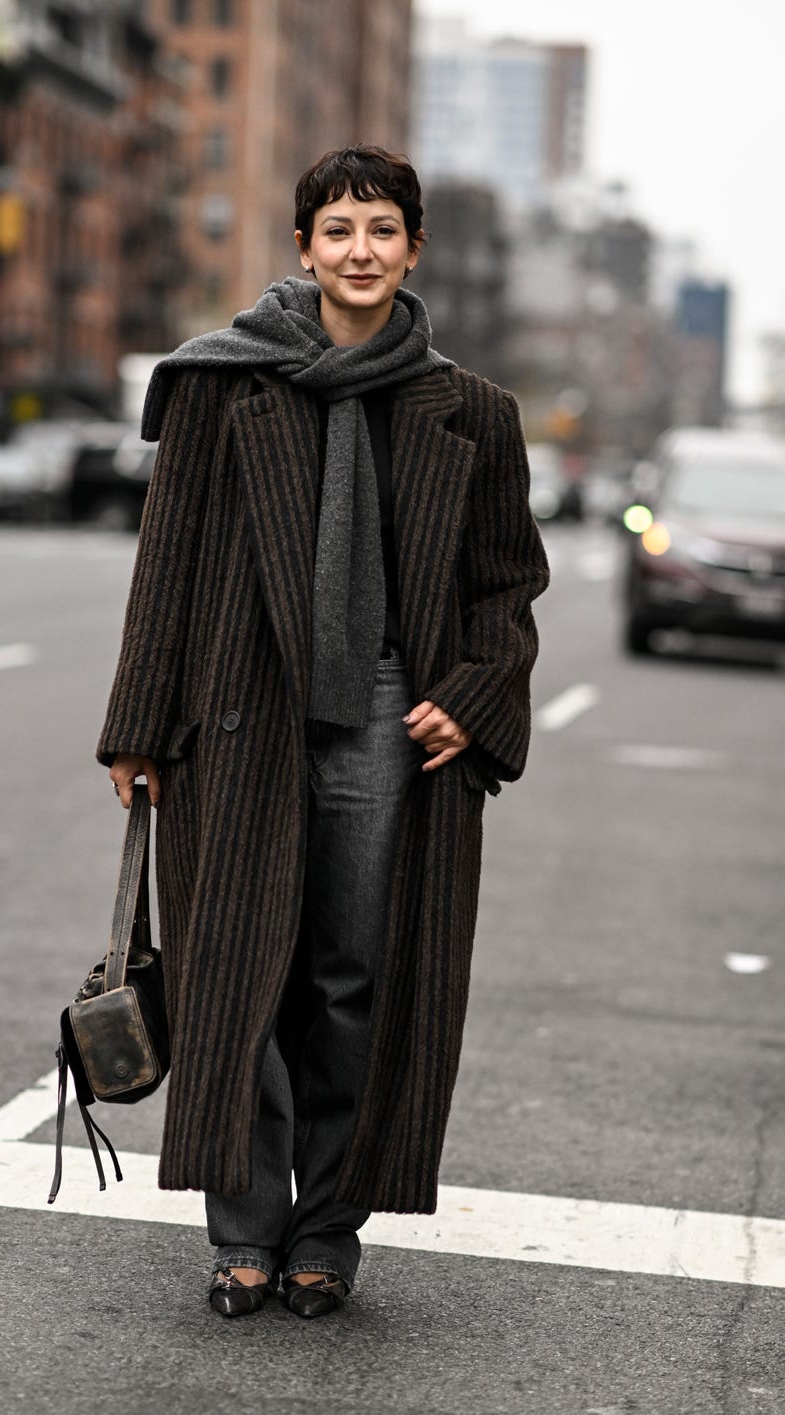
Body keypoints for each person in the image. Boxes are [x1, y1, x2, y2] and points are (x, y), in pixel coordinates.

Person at [98, 145, 549, 1320]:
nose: (359, 250)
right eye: (337, 229)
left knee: (357, 977)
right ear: (302, 247)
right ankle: (243, 1231)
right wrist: (135, 729)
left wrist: (477, 690)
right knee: (240, 968)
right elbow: (171, 562)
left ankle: (326, 1234)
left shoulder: (473, 413)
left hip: (389, 725)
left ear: (412, 249)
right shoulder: (219, 385)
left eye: (381, 230)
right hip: (237, 712)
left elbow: (507, 585)